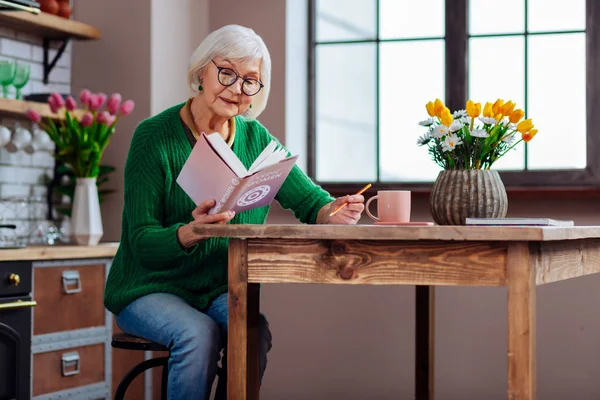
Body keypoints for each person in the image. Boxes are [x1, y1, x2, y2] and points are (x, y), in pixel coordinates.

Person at [104, 24, 365, 400]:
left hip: (217, 289)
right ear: (201, 73)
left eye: (250, 80)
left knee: (252, 331)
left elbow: (312, 204)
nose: (236, 88)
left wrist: (334, 212)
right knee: (198, 333)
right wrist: (190, 232)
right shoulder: (153, 137)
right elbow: (141, 241)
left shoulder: (256, 140)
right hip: (148, 288)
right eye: (226, 72)